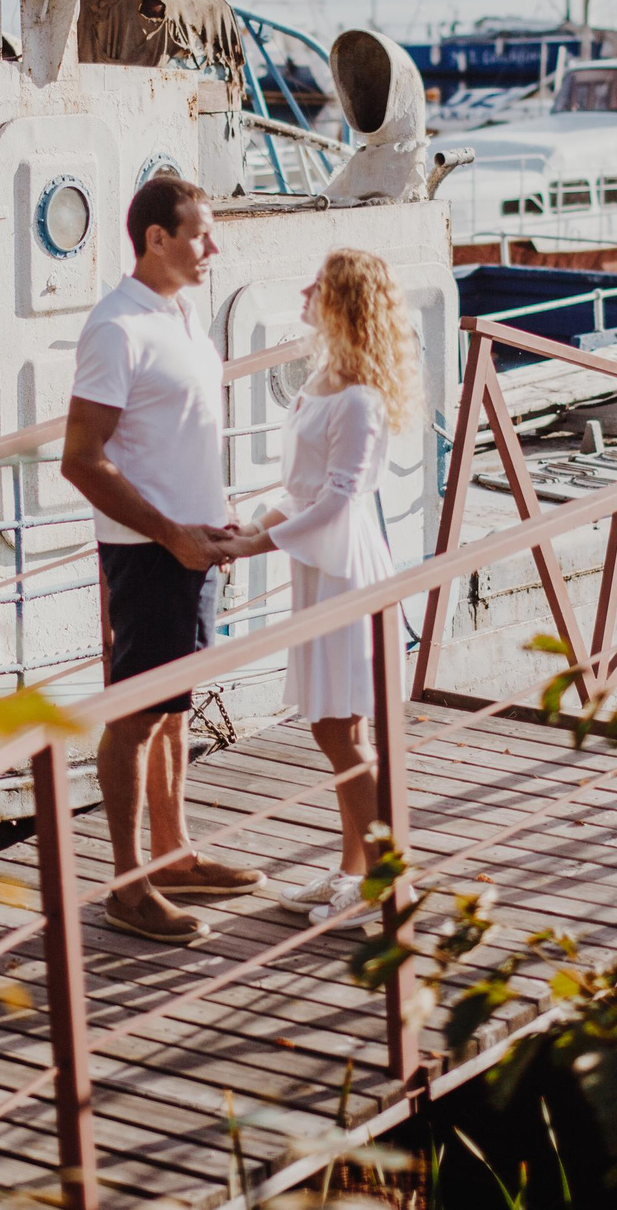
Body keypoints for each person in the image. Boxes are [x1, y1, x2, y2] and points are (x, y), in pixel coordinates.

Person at [61, 175, 263, 945]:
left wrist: (214, 513)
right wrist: (173, 532)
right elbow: (81, 459)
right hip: (149, 555)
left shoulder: (179, 311)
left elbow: (177, 430)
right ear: (155, 238)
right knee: (138, 716)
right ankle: (127, 883)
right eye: (201, 234)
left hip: (195, 543)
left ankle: (173, 855)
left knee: (174, 707)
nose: (214, 247)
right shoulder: (117, 329)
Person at [218, 249, 422, 926]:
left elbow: (340, 498)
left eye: (318, 285)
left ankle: (389, 887)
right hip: (316, 563)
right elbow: (303, 489)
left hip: (344, 568)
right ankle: (353, 870)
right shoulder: (324, 379)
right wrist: (252, 523)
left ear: (343, 303)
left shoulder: (361, 398)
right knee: (335, 726)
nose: (304, 290)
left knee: (342, 728)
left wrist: (258, 540)